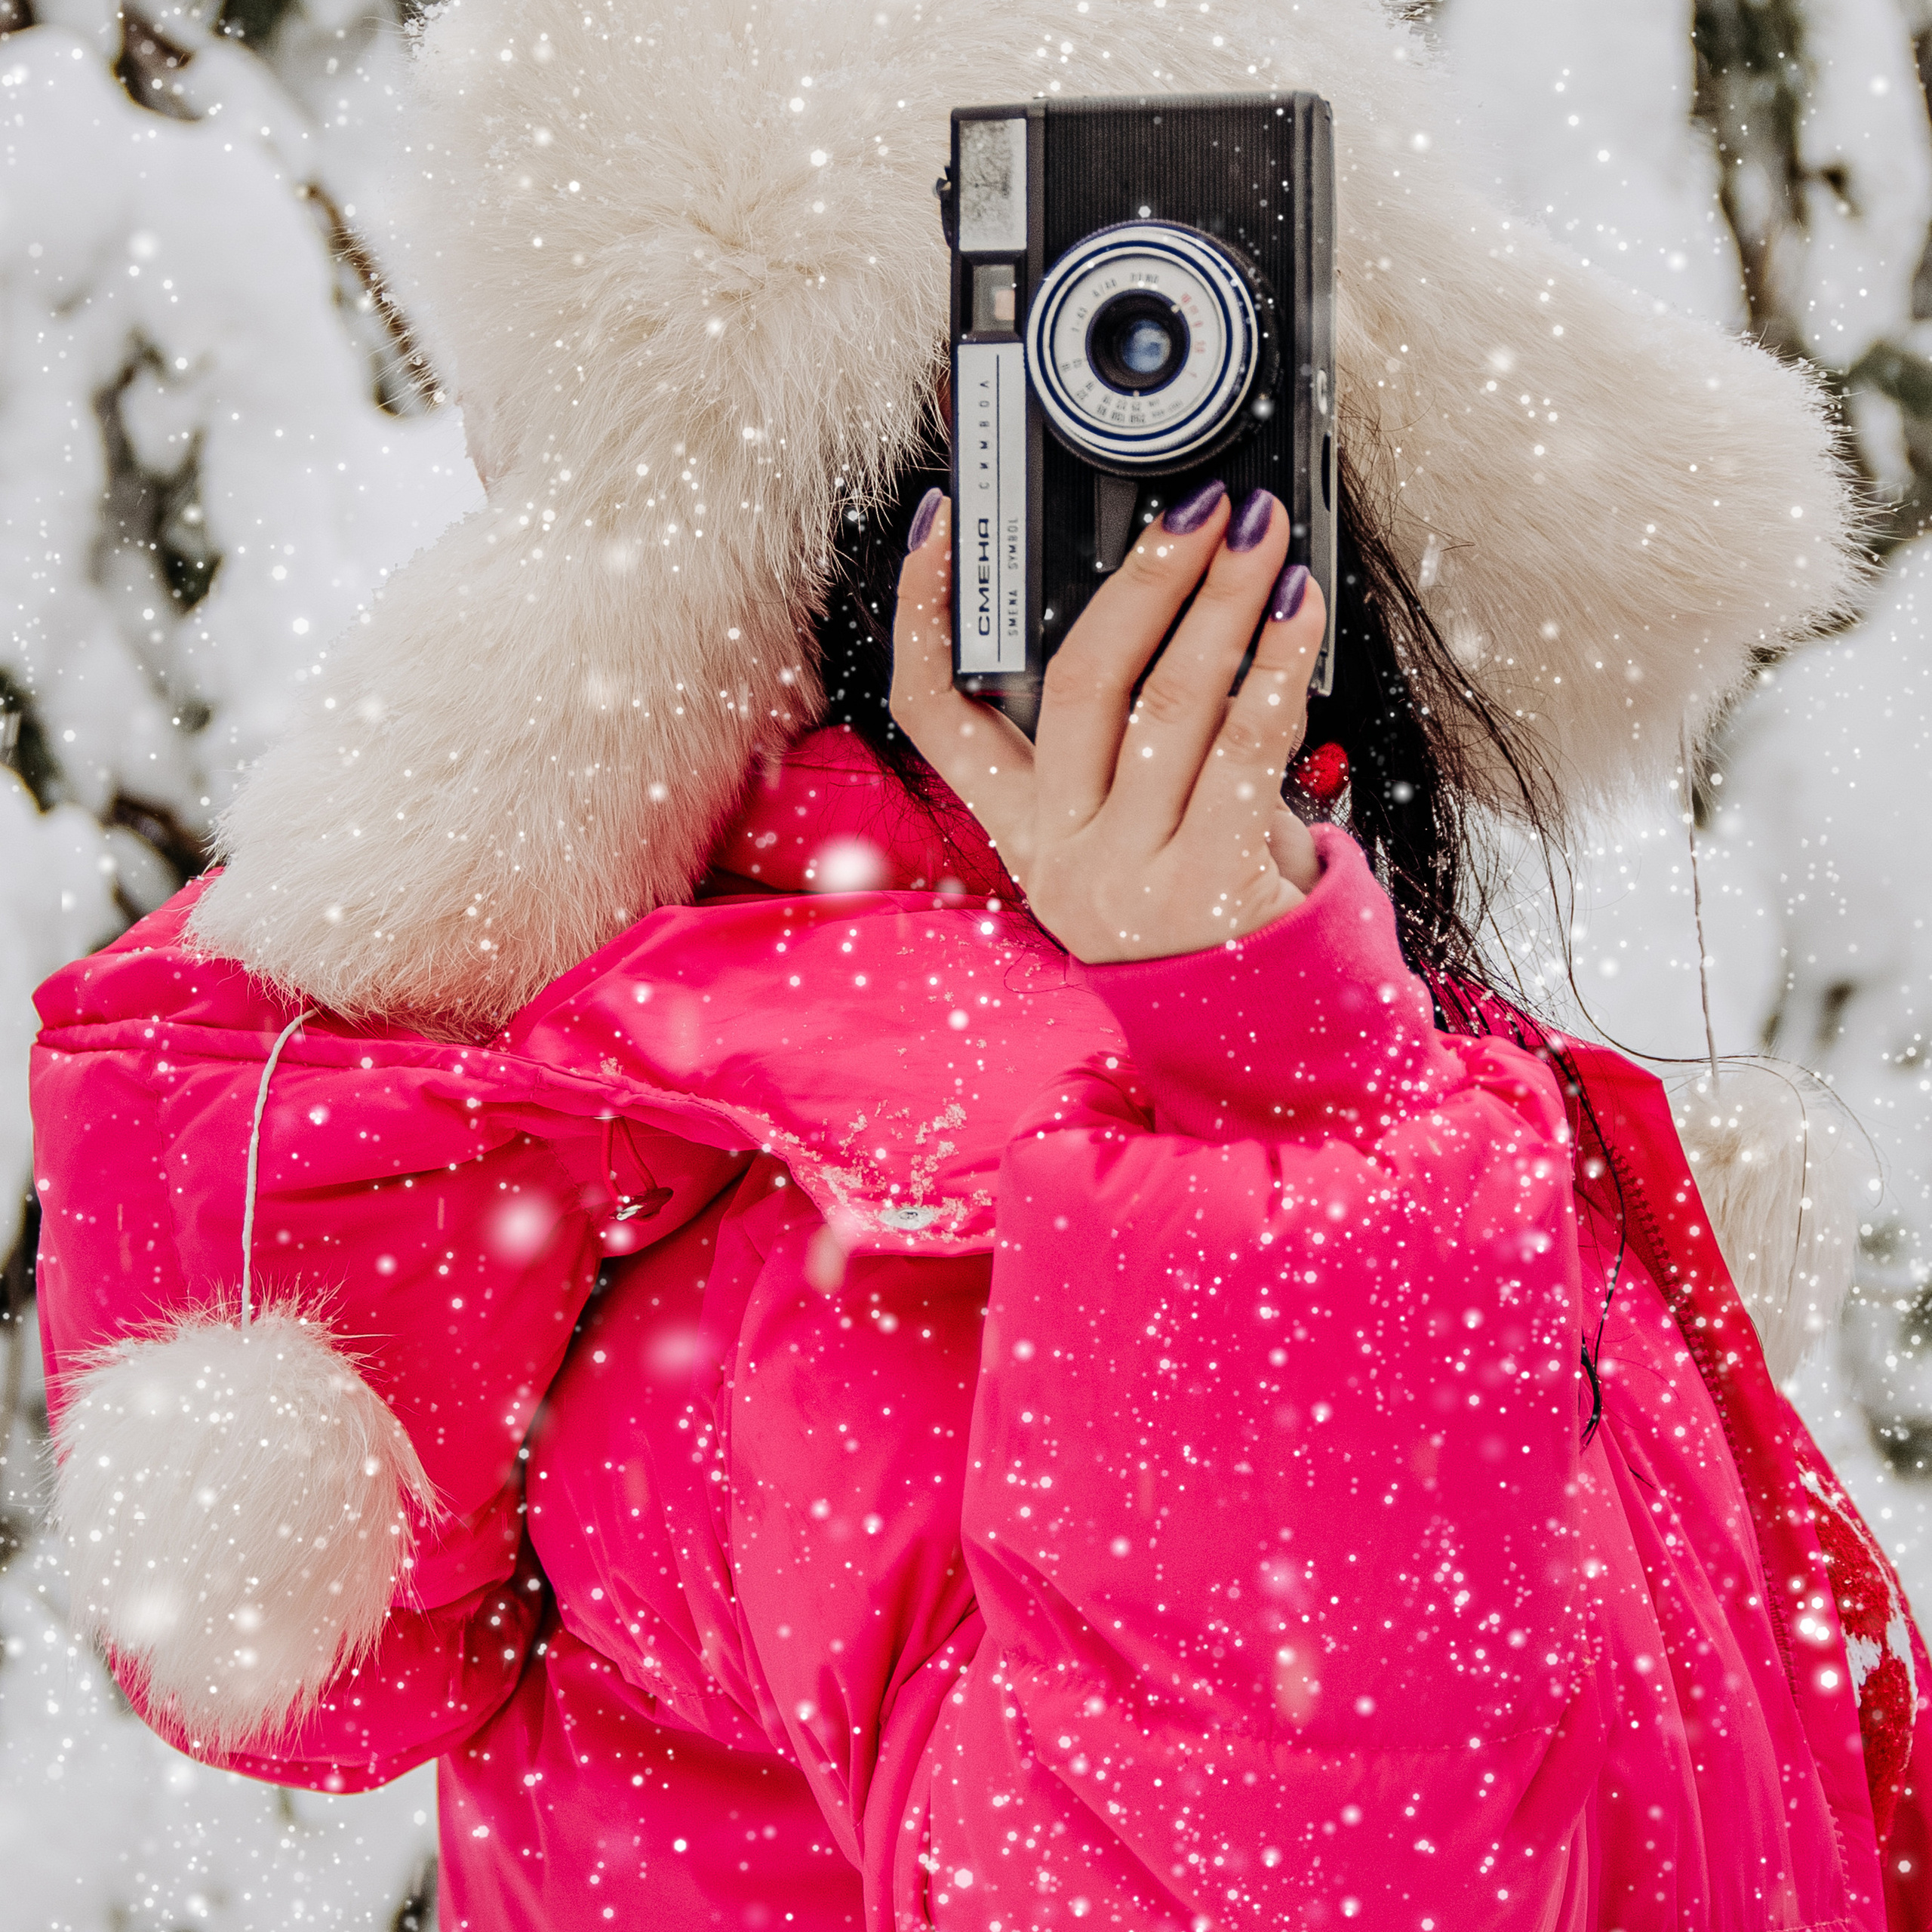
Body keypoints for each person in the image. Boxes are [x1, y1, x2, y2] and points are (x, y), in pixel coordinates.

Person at [29, 0, 1932, 1926]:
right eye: (1064, 382)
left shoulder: (1321, 1132)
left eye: (1201, 361)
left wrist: (1276, 1052)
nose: (1139, 475)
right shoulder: (878, 1251)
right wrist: (1269, 1093)